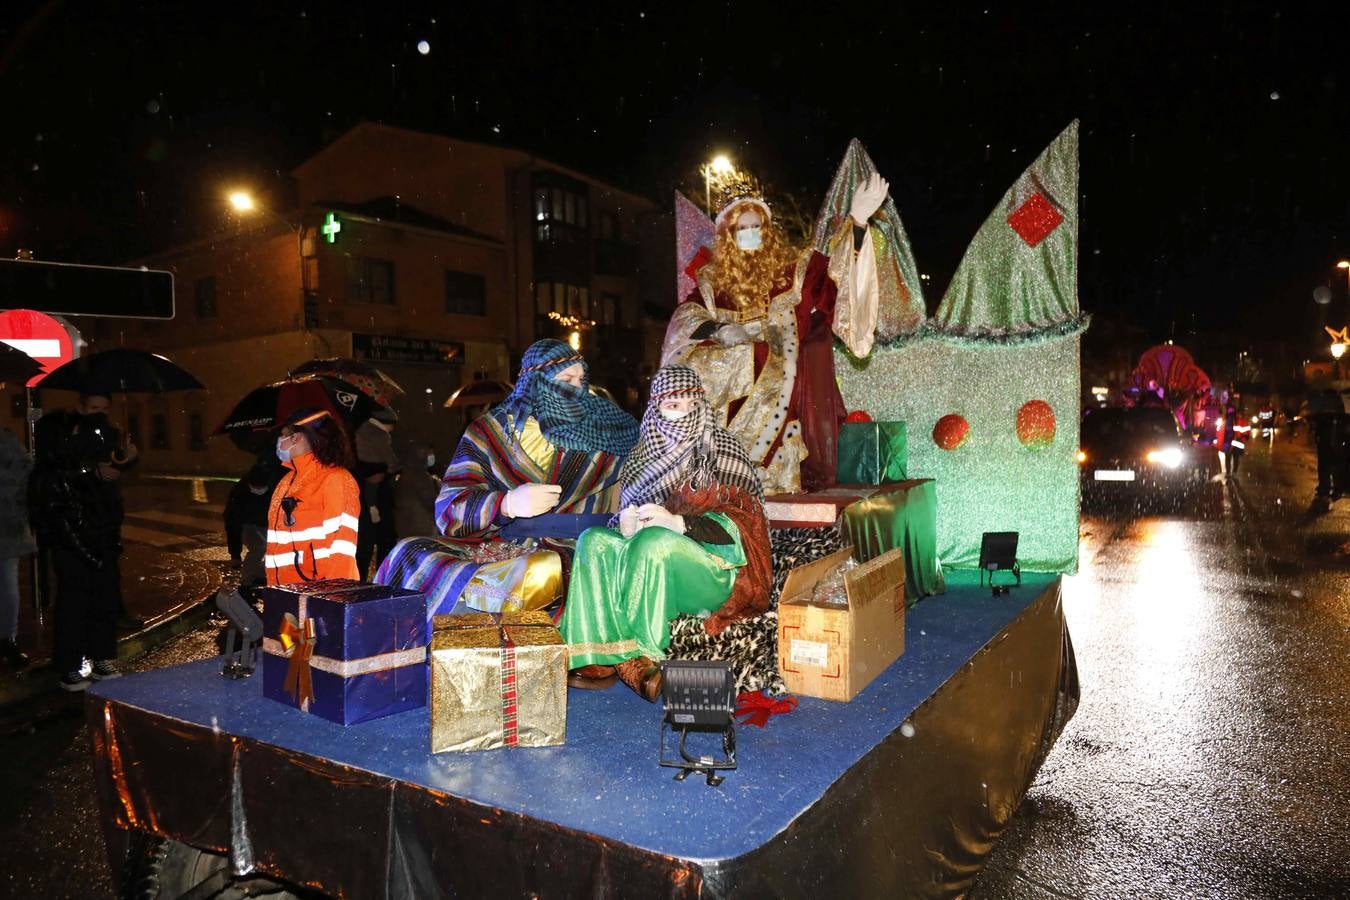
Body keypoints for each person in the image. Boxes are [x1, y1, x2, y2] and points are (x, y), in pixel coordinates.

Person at [376, 339, 639, 618]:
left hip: (575, 547)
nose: (576, 388)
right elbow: (451, 507)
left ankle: (485, 612)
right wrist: (505, 504)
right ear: (536, 380)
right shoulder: (490, 431)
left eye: (580, 379)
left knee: (540, 572)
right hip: (498, 544)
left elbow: (643, 481)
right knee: (410, 552)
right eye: (566, 379)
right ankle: (431, 628)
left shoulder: (610, 430)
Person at [660, 175, 889, 493]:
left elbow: (838, 284)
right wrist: (720, 330)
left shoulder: (796, 272)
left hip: (781, 392)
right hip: (728, 397)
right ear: (728, 235)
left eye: (757, 228)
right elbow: (685, 319)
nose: (751, 235)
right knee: (696, 367)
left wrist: (859, 222)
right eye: (742, 229)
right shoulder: (713, 283)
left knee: (759, 356)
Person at [561, 365, 773, 701]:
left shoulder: (723, 449)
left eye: (692, 404)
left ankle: (643, 655)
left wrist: (680, 524)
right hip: (647, 565)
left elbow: (746, 528)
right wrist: (624, 525)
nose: (686, 414)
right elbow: (622, 525)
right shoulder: (638, 459)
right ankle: (594, 653)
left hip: (718, 570)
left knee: (655, 541)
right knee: (595, 540)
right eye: (674, 406)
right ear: (655, 410)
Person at [28, 409, 125, 690]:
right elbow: (59, 523)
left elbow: (100, 505)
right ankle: (70, 665)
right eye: (71, 434)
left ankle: (101, 658)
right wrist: (88, 554)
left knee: (102, 604)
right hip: (74, 553)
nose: (76, 439)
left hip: (95, 547)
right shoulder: (49, 476)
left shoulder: (78, 468)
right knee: (74, 608)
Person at [264, 408, 361, 585]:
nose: (279, 441)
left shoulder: (335, 480)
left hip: (317, 594)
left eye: (283, 434)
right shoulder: (286, 481)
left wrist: (334, 597)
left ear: (298, 437)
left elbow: (341, 548)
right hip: (283, 591)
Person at [0, 425, 35, 669]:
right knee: (7, 585)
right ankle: (7, 641)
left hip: (7, 525)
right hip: (9, 524)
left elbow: (26, 478)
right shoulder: (8, 440)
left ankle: (7, 641)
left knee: (8, 585)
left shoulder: (7, 441)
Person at [224, 455, 284, 587]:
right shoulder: (239, 494)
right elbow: (232, 524)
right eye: (255, 487)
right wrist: (235, 555)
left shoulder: (274, 488)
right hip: (247, 525)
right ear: (249, 484)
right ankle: (248, 579)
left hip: (267, 523)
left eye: (261, 487)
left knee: (274, 548)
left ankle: (263, 574)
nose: (259, 490)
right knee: (258, 547)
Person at [353, 413, 400, 579]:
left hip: (367, 489)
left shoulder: (360, 431)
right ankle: (381, 577)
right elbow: (392, 461)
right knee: (382, 537)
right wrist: (392, 468)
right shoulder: (380, 436)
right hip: (378, 490)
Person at [393, 441, 439, 540]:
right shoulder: (420, 476)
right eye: (429, 453)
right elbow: (431, 502)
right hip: (421, 526)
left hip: (406, 526)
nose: (432, 456)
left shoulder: (406, 473)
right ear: (422, 454)